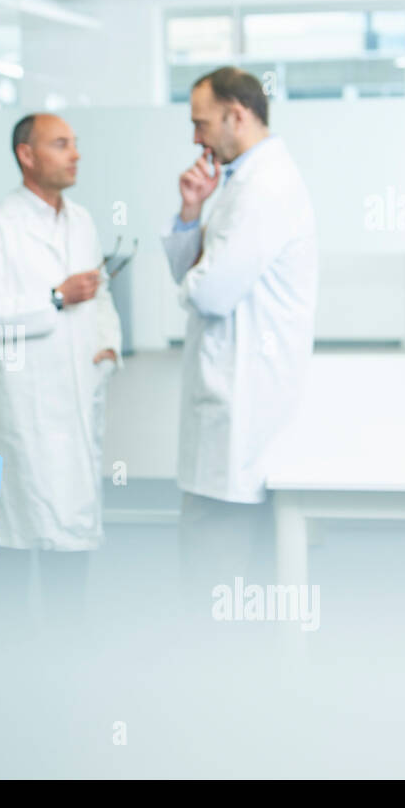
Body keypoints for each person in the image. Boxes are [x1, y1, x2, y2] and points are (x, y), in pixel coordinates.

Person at [162, 67, 317, 608]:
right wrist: (190, 213)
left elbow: (207, 293)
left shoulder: (264, 187)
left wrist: (194, 281)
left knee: (217, 567)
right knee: (226, 563)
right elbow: (197, 273)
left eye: (201, 123)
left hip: (242, 404)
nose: (195, 138)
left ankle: (216, 676)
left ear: (237, 114)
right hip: (232, 391)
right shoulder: (239, 181)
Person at [0, 113, 122, 630]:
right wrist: (53, 298)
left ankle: (68, 646)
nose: (75, 154)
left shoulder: (81, 221)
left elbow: (100, 296)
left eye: (75, 144)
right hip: (29, 402)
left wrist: (108, 346)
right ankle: (9, 656)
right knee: (20, 523)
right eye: (61, 144)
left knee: (72, 520)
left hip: (78, 389)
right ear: (26, 155)